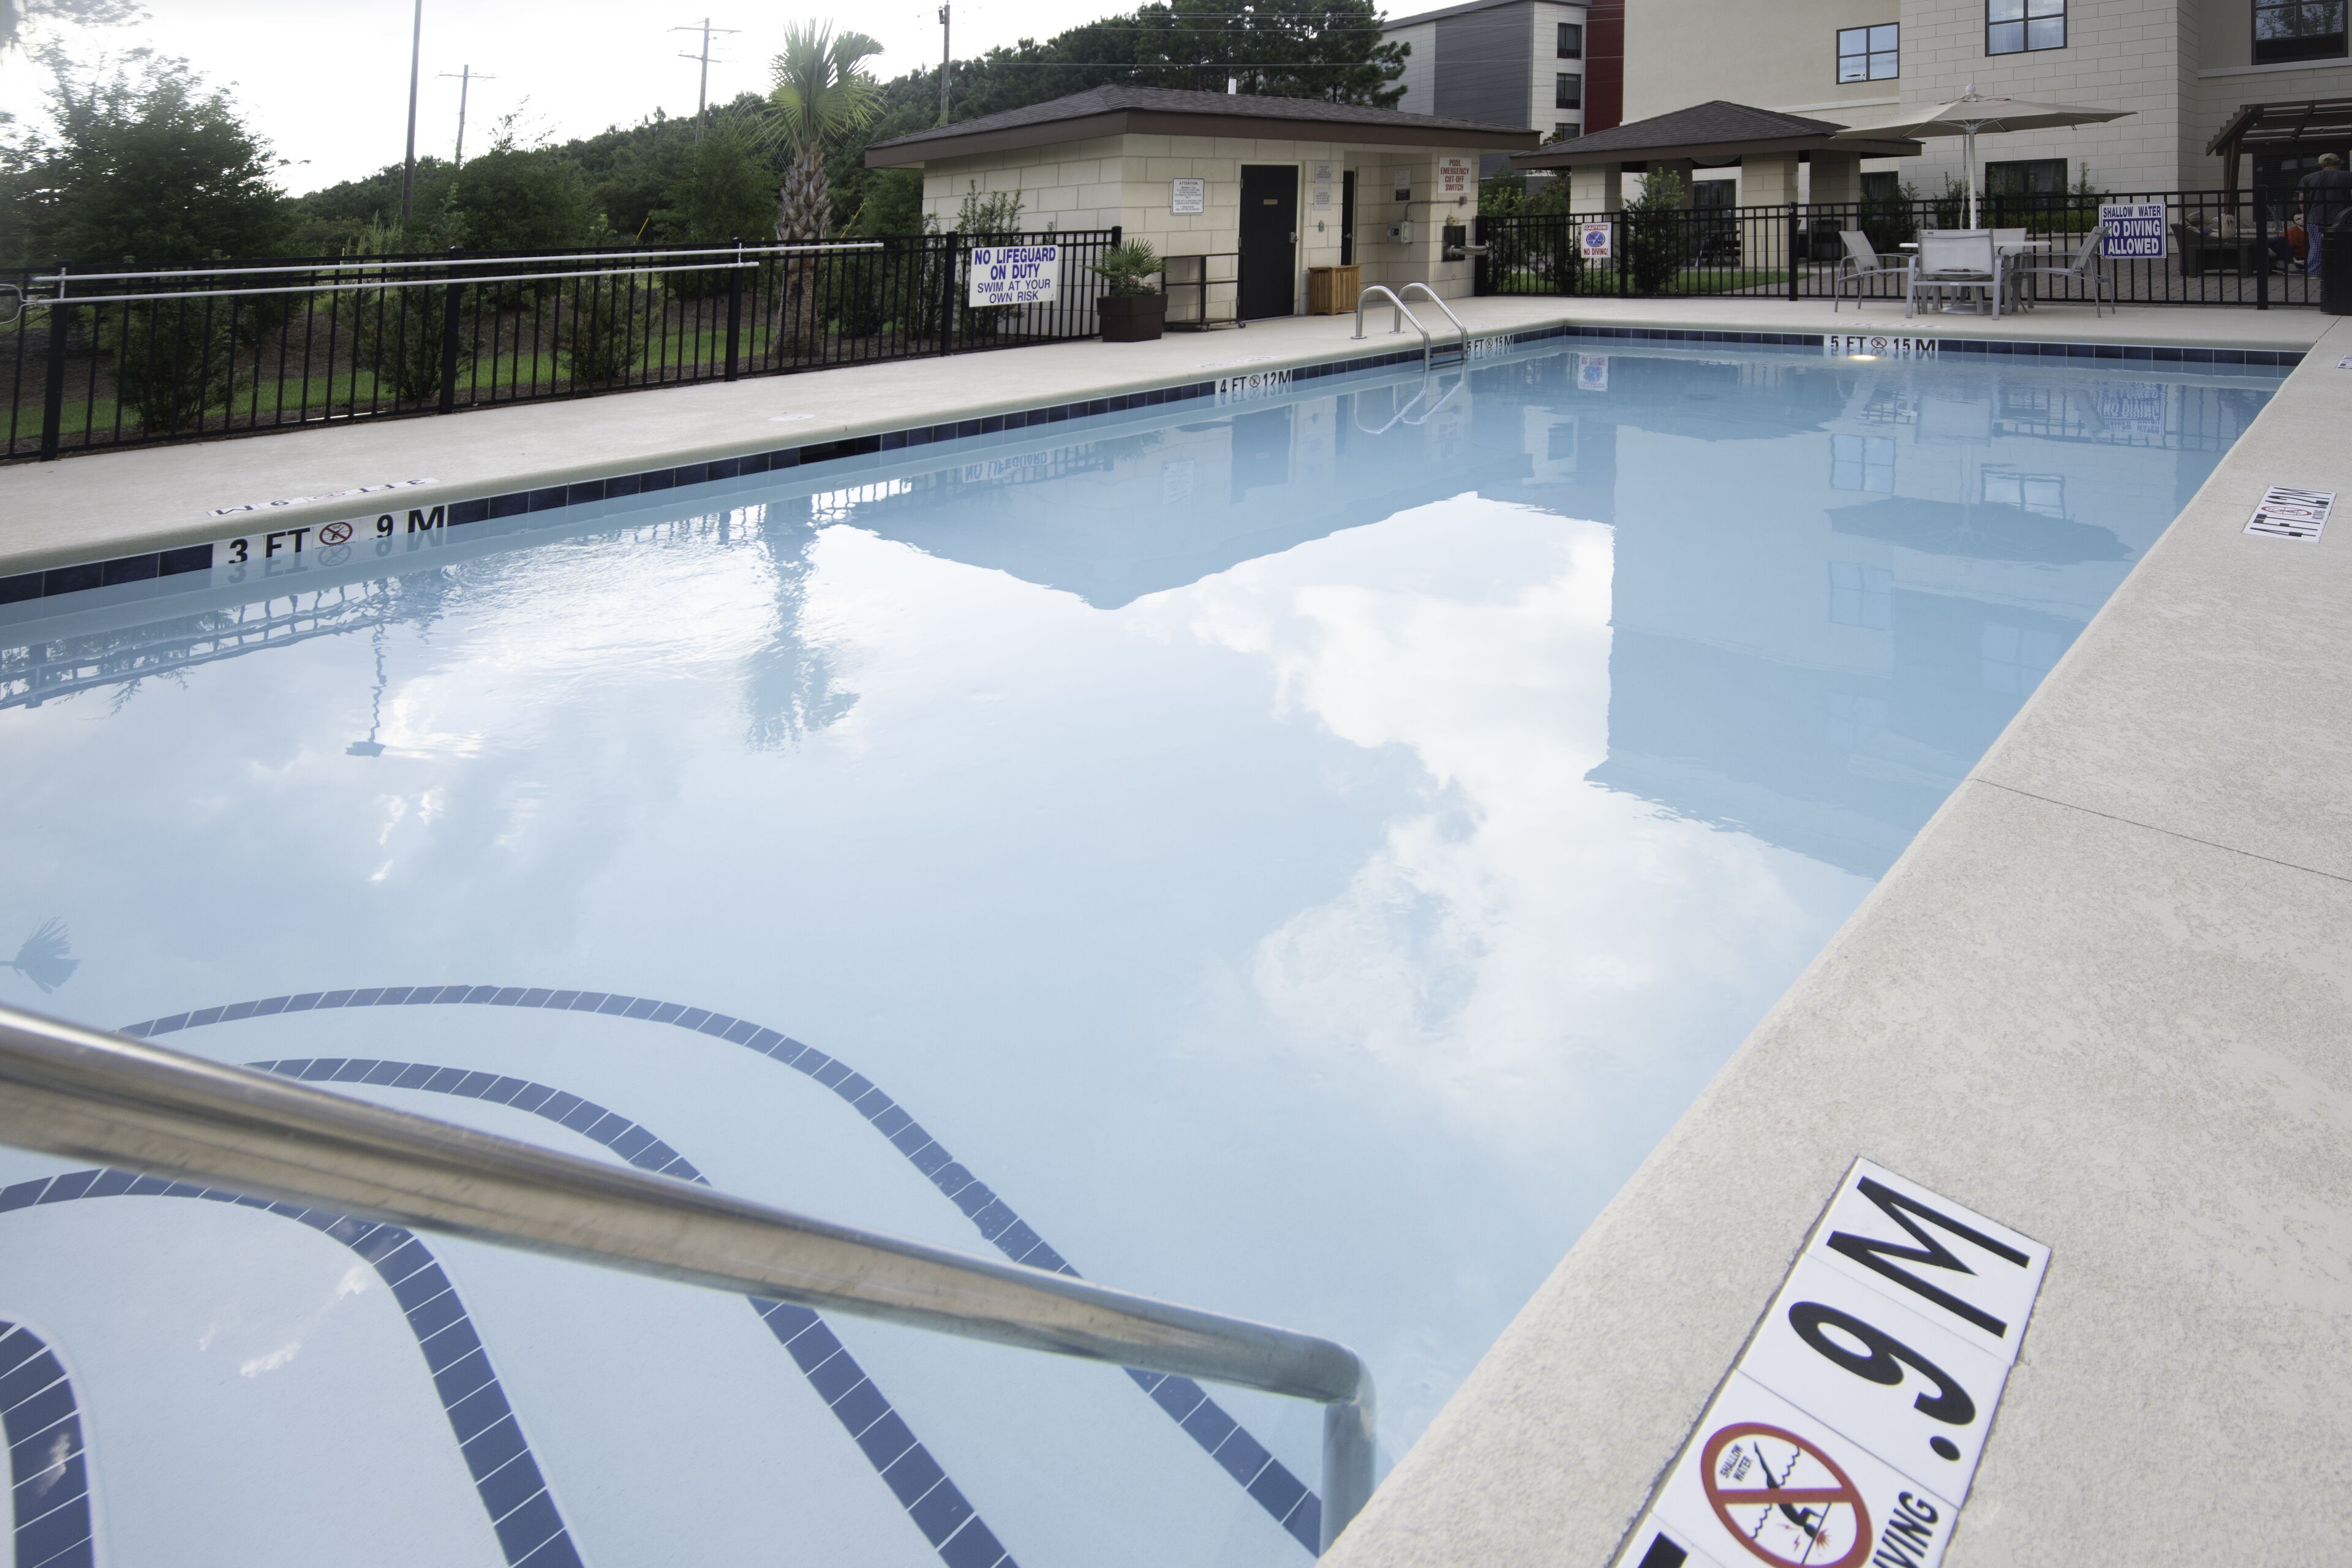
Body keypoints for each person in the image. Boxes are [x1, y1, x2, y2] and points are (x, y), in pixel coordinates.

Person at [2297, 151, 2352, 279]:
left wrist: (2307, 214)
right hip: (2344, 218)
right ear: (2339, 163)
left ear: (2321, 165)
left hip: (2316, 217)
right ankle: (2344, 272)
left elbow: (2302, 199)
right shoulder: (2349, 176)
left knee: (2317, 246)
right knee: (2345, 246)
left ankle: (2314, 273)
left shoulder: (2308, 178)